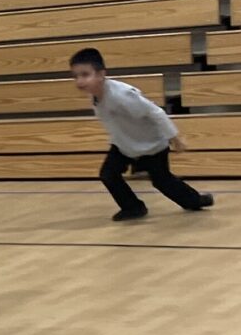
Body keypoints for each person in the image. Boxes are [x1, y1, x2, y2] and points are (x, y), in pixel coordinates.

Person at [69, 48, 213, 221]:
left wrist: (174, 138)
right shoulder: (96, 97)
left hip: (151, 145)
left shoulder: (123, 95)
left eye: (85, 74)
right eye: (76, 76)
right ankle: (133, 207)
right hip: (124, 146)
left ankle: (195, 200)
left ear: (101, 74)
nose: (80, 81)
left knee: (162, 181)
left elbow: (156, 113)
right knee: (108, 174)